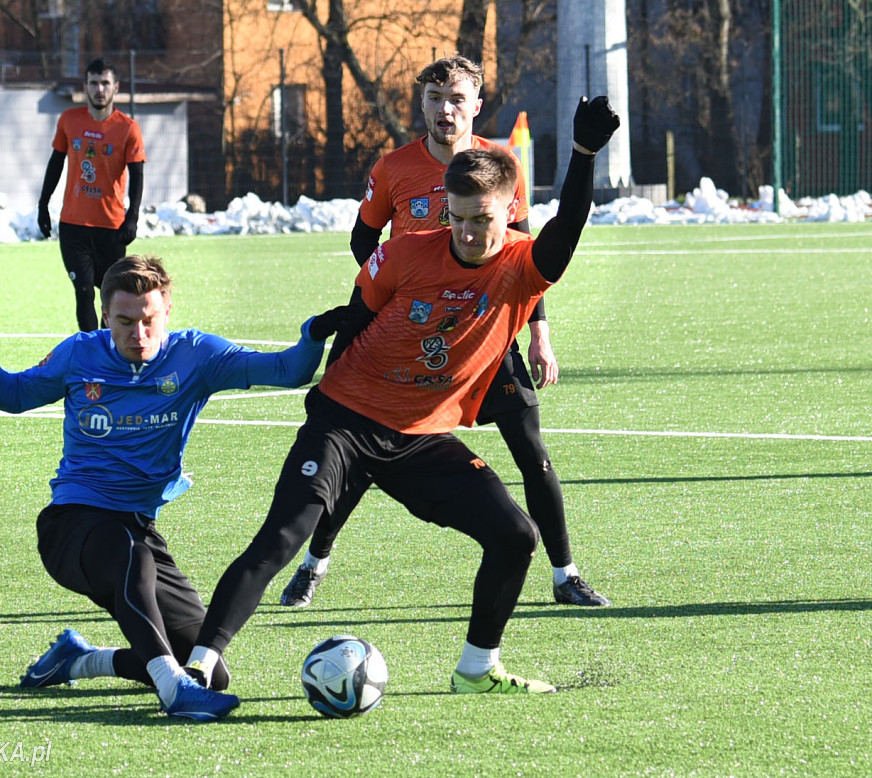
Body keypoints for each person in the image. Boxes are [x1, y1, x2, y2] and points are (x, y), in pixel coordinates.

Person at [173, 95, 620, 721]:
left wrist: (582, 156)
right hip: (346, 420)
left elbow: (567, 228)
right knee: (284, 535)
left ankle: (477, 669)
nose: (468, 232)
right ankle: (199, 665)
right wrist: (325, 404)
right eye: (458, 217)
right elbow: (359, 315)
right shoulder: (407, 252)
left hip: (419, 438)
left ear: (507, 214)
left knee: (515, 536)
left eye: (482, 219)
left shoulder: (523, 267)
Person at [0, 254, 347, 722]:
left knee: (208, 670)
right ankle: (175, 694)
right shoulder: (80, 354)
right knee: (128, 555)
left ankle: (78, 660)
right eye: (124, 321)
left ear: (167, 312)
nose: (138, 334)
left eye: (148, 320)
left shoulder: (197, 356)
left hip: (138, 530)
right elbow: (15, 396)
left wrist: (314, 335)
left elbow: (286, 371)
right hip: (72, 527)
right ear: (104, 317)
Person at [279, 55, 609, 610]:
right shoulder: (394, 168)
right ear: (422, 104)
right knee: (362, 456)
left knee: (533, 453)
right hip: (410, 343)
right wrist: (399, 293)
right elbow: (366, 242)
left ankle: (564, 574)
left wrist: (539, 332)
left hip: (487, 334)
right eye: (435, 98)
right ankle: (316, 562)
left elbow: (529, 252)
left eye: (456, 98)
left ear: (476, 105)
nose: (445, 109)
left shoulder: (503, 165)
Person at [38, 57, 146, 333]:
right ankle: (91, 352)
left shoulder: (128, 128)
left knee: (110, 296)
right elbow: (56, 163)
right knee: (84, 290)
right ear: (85, 86)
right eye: (94, 83)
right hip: (74, 226)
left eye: (105, 83)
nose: (100, 89)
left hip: (111, 228)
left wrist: (132, 218)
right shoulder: (69, 120)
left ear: (116, 87)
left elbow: (137, 174)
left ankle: (109, 349)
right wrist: (43, 204)